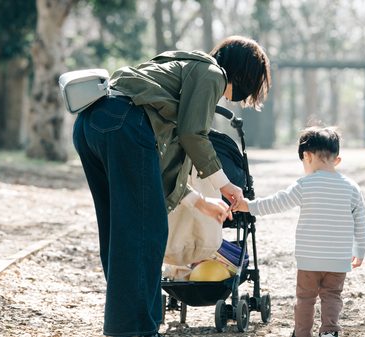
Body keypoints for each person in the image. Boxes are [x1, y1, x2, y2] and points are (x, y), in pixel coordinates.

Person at [72, 35, 270, 337]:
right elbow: (194, 136)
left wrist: (201, 202)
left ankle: (126, 326)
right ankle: (136, 329)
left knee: (119, 232)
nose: (232, 99)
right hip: (124, 124)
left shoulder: (179, 66)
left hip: (90, 123)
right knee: (147, 233)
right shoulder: (213, 73)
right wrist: (226, 185)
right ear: (244, 74)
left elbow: (160, 172)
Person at [235, 126, 365, 337]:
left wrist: (248, 206)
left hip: (309, 259)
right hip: (338, 259)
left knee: (305, 298)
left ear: (306, 156)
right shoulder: (352, 188)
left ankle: (302, 333)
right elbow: (361, 221)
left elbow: (276, 203)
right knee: (332, 296)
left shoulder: (305, 185)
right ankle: (329, 331)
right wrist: (360, 250)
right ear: (337, 160)